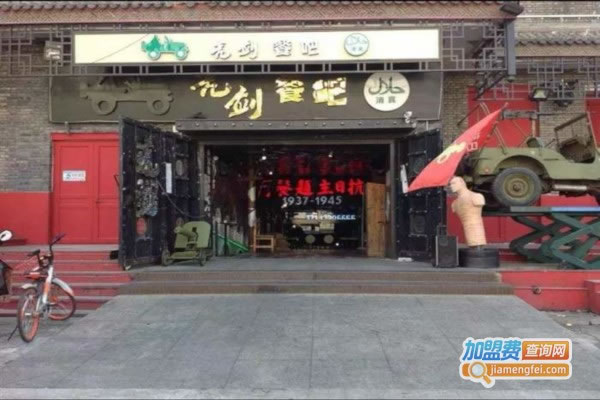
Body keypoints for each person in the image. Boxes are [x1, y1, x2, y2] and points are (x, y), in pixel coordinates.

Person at [449, 176, 487, 247]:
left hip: (478, 236)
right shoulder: (454, 204)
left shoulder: (476, 196)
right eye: (450, 184)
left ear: (462, 183)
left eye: (454, 183)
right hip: (468, 235)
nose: (451, 186)